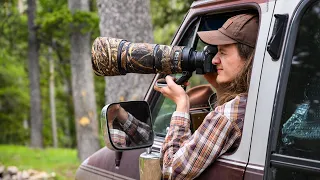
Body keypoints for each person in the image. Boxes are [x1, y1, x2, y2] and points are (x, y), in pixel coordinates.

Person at [154, 14, 258, 179]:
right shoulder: (256, 101)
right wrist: (218, 85)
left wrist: (182, 104)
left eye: (223, 53)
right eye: (215, 53)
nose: (215, 60)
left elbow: (172, 171)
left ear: (249, 60)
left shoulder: (226, 117)